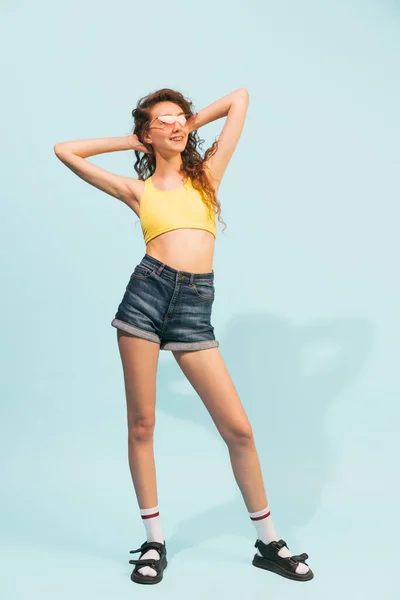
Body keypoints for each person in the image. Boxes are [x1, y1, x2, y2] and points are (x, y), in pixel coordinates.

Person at [53, 87, 314, 585]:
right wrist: (134, 139)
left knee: (239, 429)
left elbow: (239, 99)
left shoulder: (208, 175)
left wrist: (187, 124)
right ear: (148, 134)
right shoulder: (139, 190)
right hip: (146, 298)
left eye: (182, 119)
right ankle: (154, 542)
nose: (177, 125)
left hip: (195, 307)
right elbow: (65, 150)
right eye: (164, 121)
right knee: (143, 425)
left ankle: (269, 542)